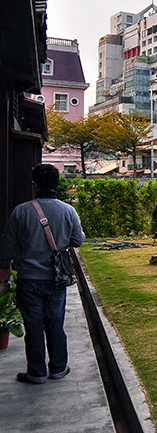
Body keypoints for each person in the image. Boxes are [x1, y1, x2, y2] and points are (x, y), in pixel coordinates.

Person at [0, 164, 85, 384]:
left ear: (34, 185)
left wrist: (4, 266)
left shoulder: (21, 211)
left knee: (33, 325)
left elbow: (7, 245)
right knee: (55, 323)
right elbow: (78, 240)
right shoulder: (68, 211)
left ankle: (36, 372)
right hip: (56, 278)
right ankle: (58, 368)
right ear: (57, 184)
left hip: (29, 278)